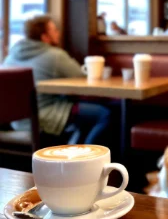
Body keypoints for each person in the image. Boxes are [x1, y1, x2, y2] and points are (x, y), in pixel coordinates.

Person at [3, 15, 110, 144]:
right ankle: (86, 158)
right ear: (44, 37)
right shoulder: (55, 55)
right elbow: (82, 78)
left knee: (80, 112)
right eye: (54, 30)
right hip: (44, 115)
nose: (58, 33)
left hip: (16, 120)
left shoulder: (10, 57)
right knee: (104, 114)